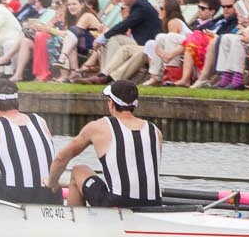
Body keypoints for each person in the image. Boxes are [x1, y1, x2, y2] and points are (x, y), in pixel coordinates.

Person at [48, 80, 163, 208]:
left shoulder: (99, 127)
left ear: (111, 103)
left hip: (117, 204)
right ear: (134, 105)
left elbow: (61, 157)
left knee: (78, 171)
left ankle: (74, 224)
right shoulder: (155, 131)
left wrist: (52, 182)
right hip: (154, 204)